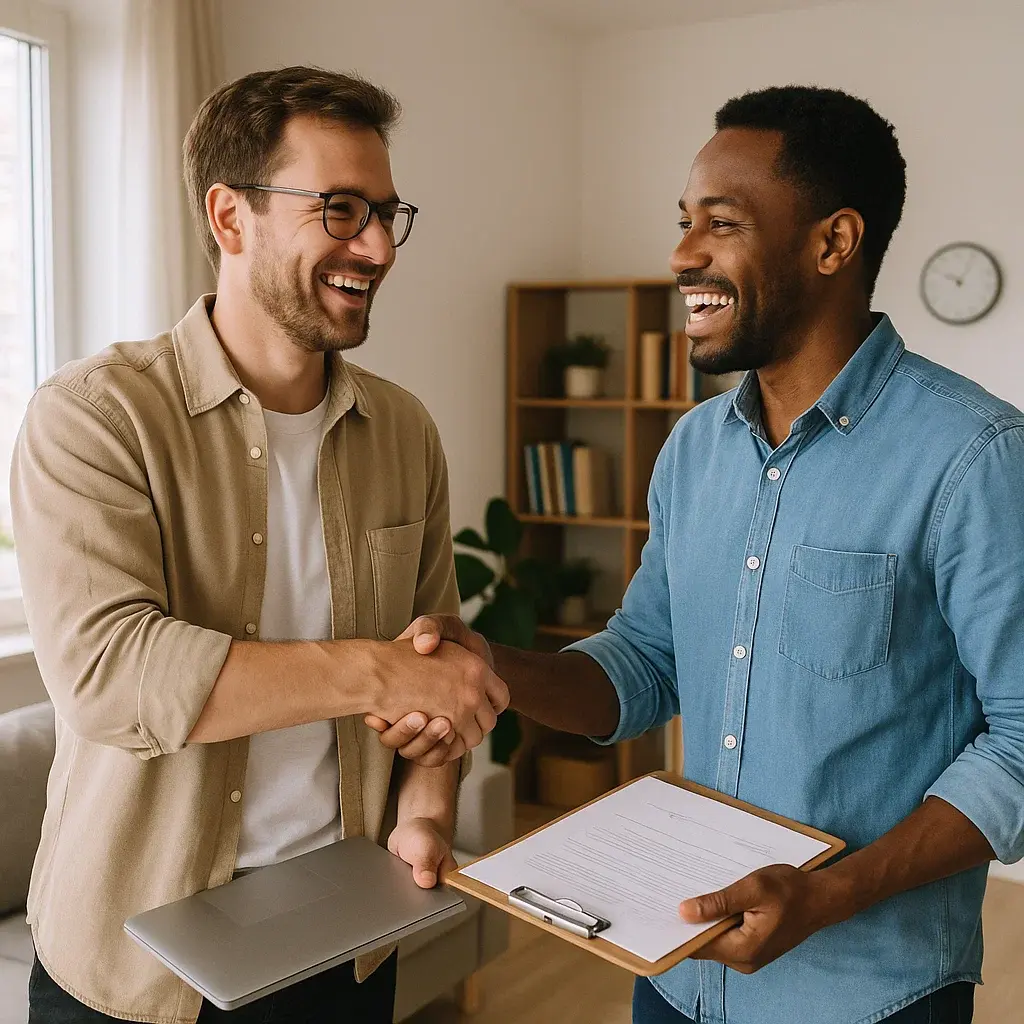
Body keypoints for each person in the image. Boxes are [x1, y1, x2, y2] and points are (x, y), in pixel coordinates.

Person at [369, 85, 1024, 1024]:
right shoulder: (693, 448)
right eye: (683, 223)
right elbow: (645, 660)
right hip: (673, 971)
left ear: (833, 242)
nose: (683, 256)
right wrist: (496, 669)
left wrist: (830, 894)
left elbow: (1022, 739)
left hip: (870, 996)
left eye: (721, 223)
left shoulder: (976, 458)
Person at [11, 66, 506, 1024]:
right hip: (130, 971)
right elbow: (111, 675)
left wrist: (426, 807)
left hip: (345, 943)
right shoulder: (94, 417)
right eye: (340, 208)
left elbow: (435, 664)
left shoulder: (405, 431)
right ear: (231, 218)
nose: (377, 246)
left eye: (387, 212)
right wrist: (379, 676)